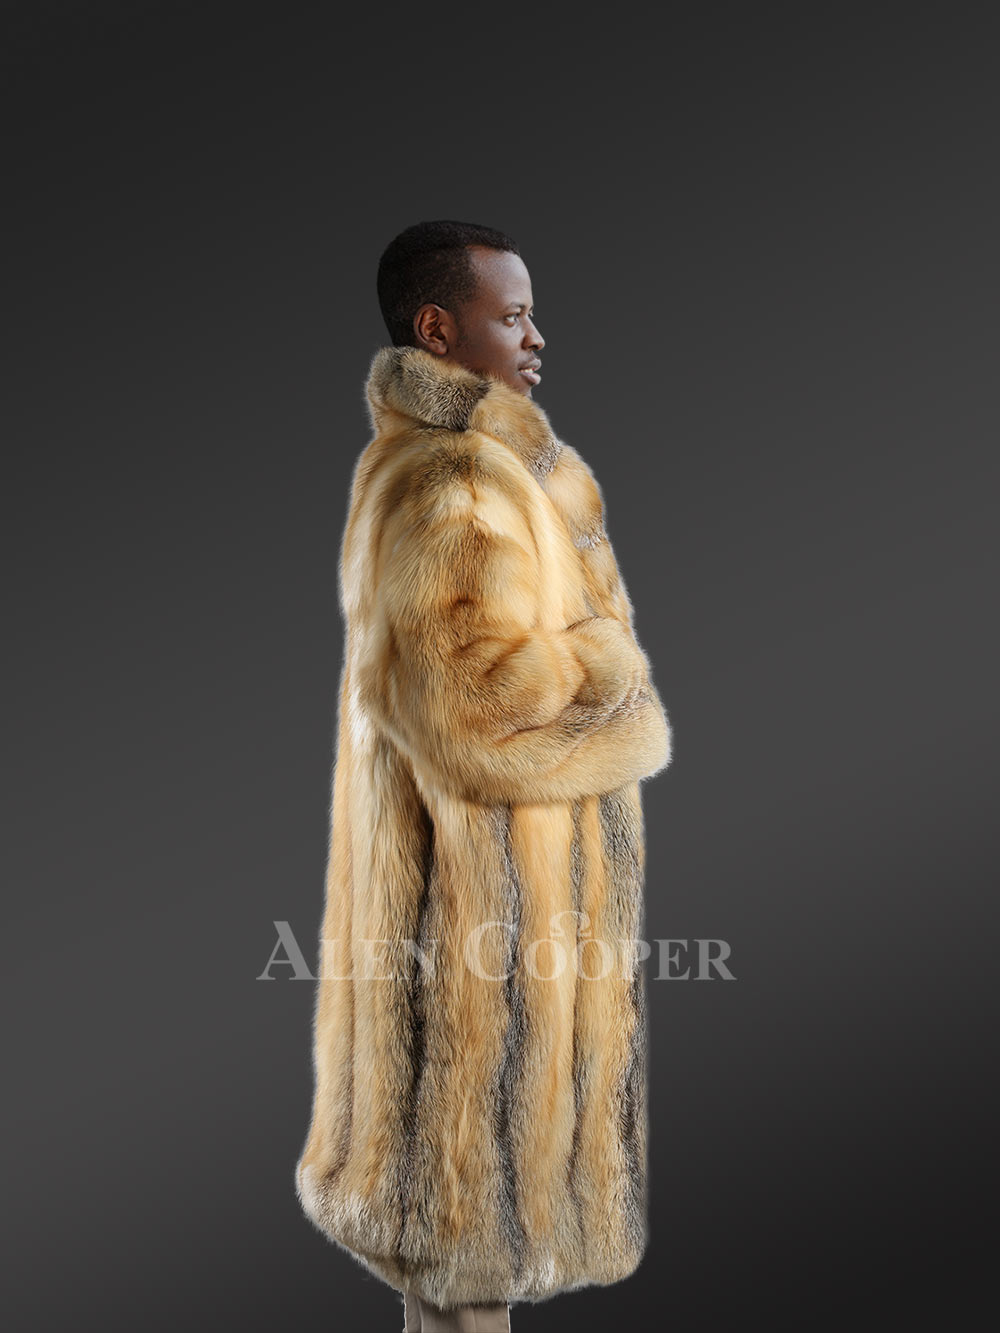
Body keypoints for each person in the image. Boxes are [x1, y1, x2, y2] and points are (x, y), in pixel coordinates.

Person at [295, 220, 673, 1331]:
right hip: (477, 926)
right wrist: (611, 667)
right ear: (436, 328)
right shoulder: (448, 479)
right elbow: (475, 705)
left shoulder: (503, 469)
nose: (536, 337)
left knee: (462, 1269)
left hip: (508, 920)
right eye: (512, 316)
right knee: (466, 1245)